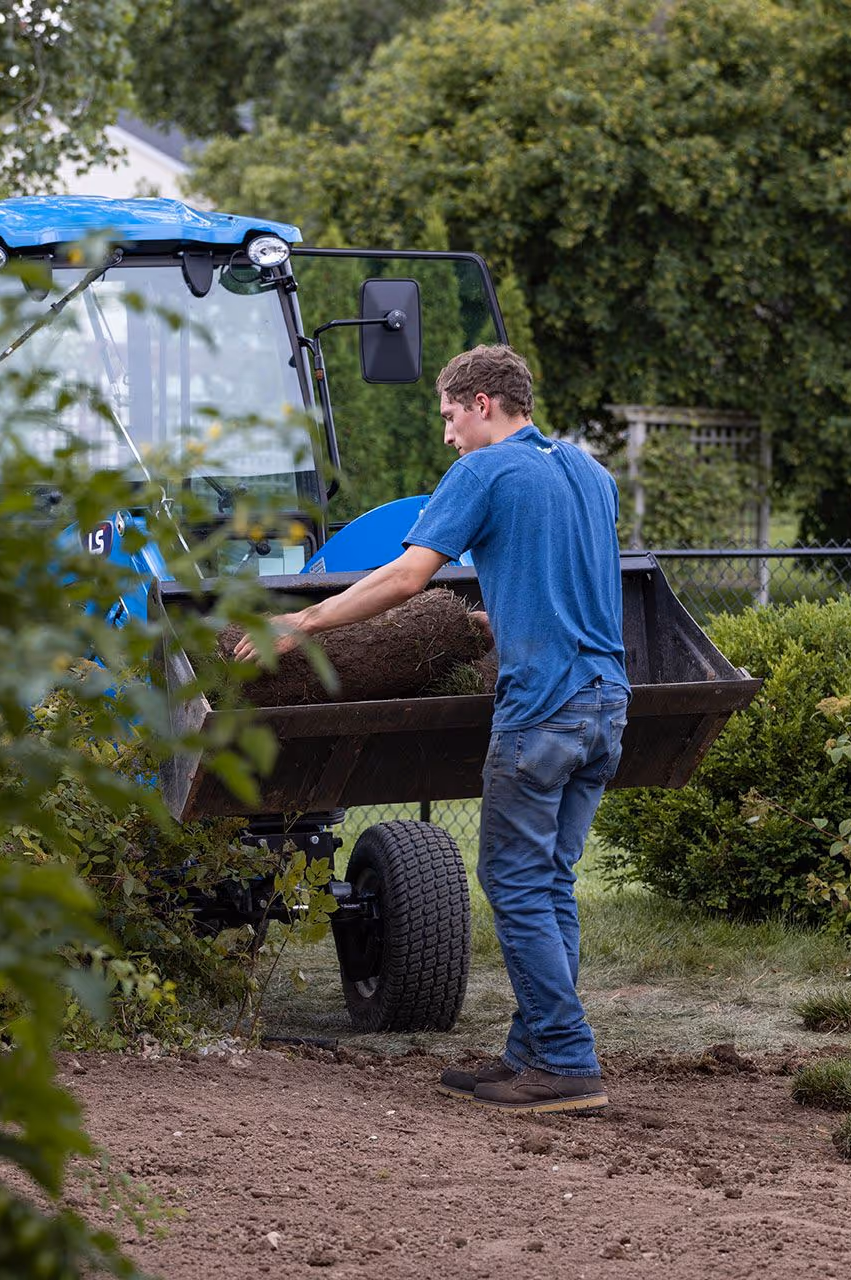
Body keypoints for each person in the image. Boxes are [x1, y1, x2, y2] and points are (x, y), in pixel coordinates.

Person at [234, 344, 629, 1113]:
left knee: (514, 882)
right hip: (607, 701)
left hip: (543, 708)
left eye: (450, 416)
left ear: (482, 402)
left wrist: (303, 621)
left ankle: (569, 1061)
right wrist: (495, 617)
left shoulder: (484, 471)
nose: (447, 435)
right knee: (549, 883)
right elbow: (568, 577)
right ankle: (532, 1052)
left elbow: (409, 574)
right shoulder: (591, 471)